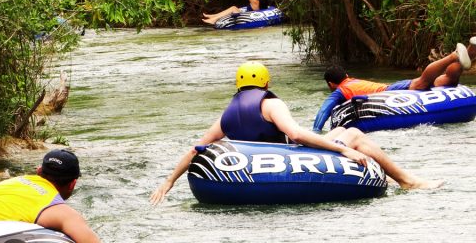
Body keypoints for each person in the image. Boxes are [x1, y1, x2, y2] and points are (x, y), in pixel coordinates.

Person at [150, 61, 443, 205]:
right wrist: (343, 150)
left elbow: (196, 150)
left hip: (250, 171)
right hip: (286, 158)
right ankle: (407, 181)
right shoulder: (270, 102)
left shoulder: (226, 114)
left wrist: (168, 182)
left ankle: (405, 180)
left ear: (238, 85)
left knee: (341, 130)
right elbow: (296, 134)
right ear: (266, 83)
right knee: (350, 132)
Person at [312, 37, 476, 131]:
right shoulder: (353, 81)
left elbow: (323, 111)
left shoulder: (340, 91)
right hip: (389, 87)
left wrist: (316, 132)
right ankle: (470, 51)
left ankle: (454, 56)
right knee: (447, 80)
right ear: (346, 75)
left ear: (331, 84)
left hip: (390, 90)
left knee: (421, 82)